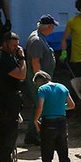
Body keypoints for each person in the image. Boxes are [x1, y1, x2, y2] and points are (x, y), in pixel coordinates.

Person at [32, 70, 76, 162]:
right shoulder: (62, 87)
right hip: (62, 124)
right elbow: (72, 105)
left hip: (48, 124)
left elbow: (40, 107)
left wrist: (36, 120)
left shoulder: (42, 89)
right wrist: (60, 108)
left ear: (39, 81)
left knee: (47, 159)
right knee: (64, 157)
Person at [0, 31, 27, 162]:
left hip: (10, 99)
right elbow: (21, 75)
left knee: (10, 133)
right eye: (13, 45)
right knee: (7, 133)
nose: (16, 48)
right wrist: (23, 58)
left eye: (17, 45)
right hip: (6, 100)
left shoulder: (8, 57)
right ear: (5, 44)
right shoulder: (3, 59)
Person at [24, 15, 59, 145]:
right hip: (39, 82)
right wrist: (42, 84)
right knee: (41, 107)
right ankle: (37, 135)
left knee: (38, 107)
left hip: (41, 81)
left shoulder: (39, 38)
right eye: (52, 26)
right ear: (49, 27)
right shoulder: (37, 40)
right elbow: (35, 63)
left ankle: (32, 135)